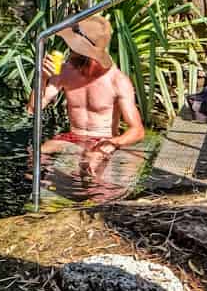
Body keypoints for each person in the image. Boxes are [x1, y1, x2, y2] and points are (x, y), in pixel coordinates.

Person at [29, 14, 145, 179]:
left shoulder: (117, 81)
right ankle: (39, 195)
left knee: (91, 166)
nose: (70, 50)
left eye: (74, 47)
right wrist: (42, 78)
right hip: (72, 137)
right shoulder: (64, 71)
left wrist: (113, 143)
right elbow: (33, 109)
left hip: (102, 140)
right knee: (37, 154)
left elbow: (138, 131)